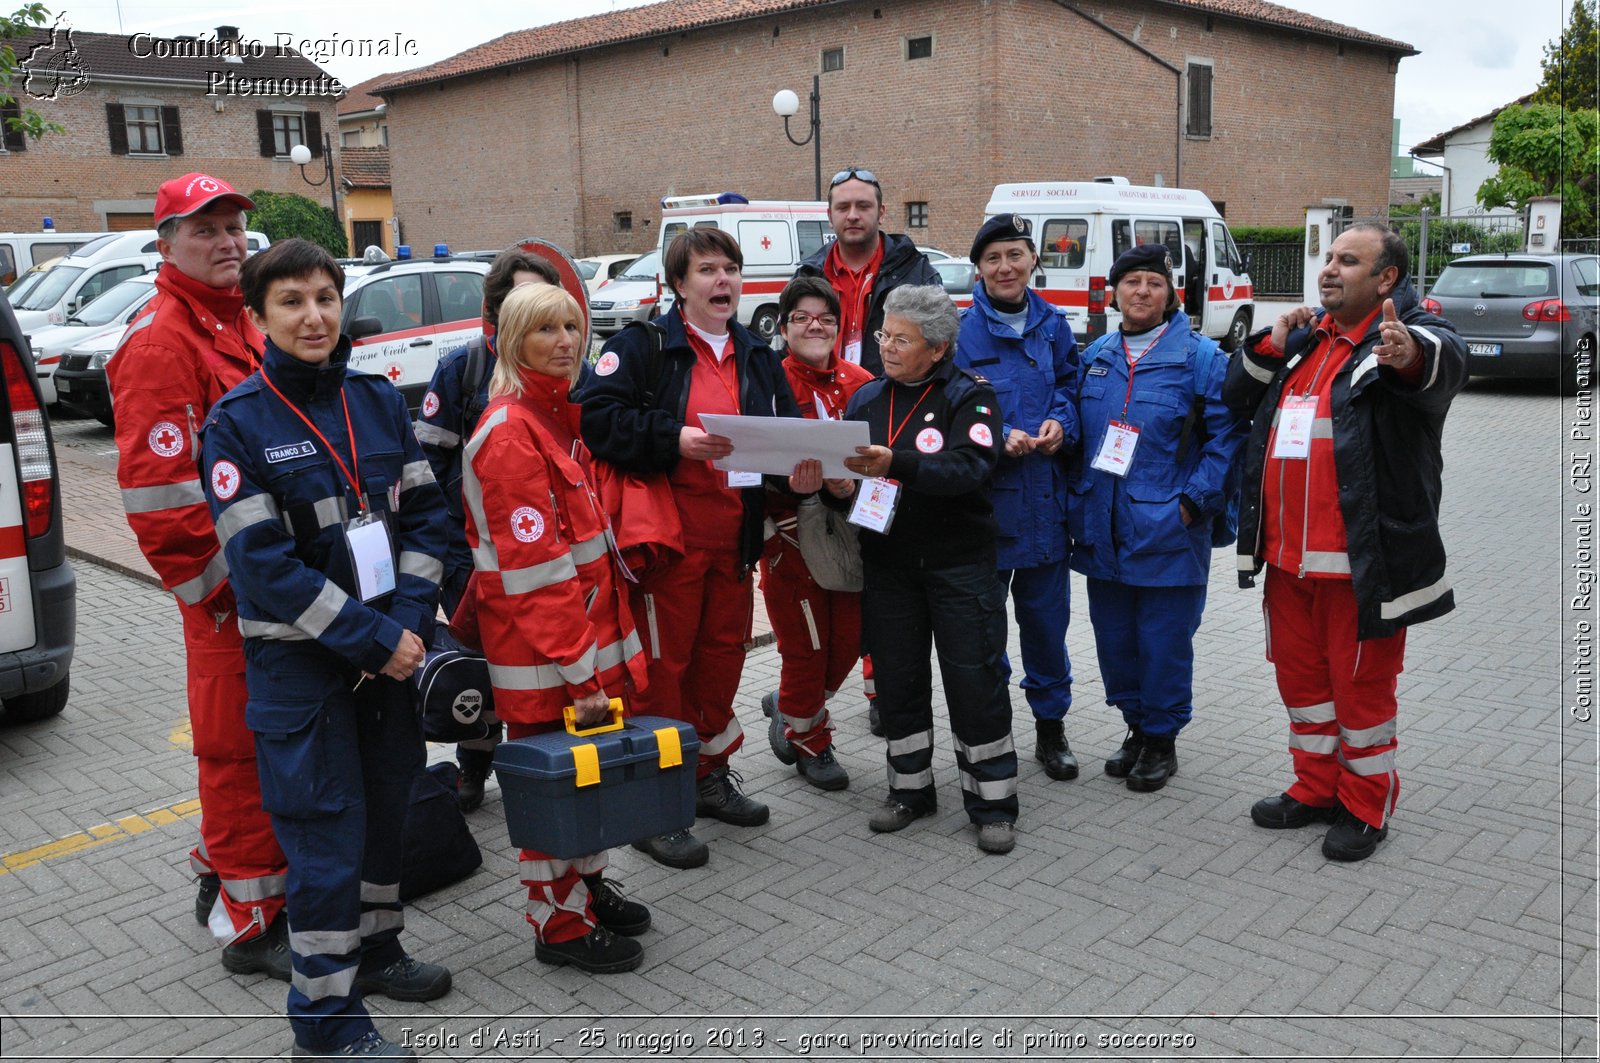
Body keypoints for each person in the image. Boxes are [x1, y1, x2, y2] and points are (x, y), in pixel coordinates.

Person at [201, 239, 453, 1060]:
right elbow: (262, 568)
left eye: (325, 297)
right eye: (292, 302)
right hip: (303, 670)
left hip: (391, 657)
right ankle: (326, 1019)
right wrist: (376, 639)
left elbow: (427, 522)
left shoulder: (375, 400)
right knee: (324, 843)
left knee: (386, 817)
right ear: (257, 316)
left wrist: (407, 626)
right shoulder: (237, 423)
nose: (314, 316)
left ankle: (377, 950)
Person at [1224, 222, 1466, 862]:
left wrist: (1407, 350)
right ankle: (1315, 788)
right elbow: (1233, 397)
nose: (1329, 269)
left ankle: (1365, 805)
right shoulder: (1309, 342)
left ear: (1386, 279)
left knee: (1361, 696)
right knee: (1303, 687)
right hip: (1287, 561)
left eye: (1348, 261)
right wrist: (1273, 342)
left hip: (1362, 568)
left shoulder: (1404, 337)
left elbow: (1438, 364)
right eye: (1328, 258)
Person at [107, 172, 290, 981]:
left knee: (267, 741)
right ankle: (252, 923)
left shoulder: (234, 323)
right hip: (230, 599)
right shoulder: (160, 342)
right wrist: (233, 591)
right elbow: (163, 506)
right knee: (237, 750)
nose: (226, 242)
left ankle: (228, 867)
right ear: (165, 244)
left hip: (266, 584)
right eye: (204, 230)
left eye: (233, 227)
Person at [580, 228, 806, 869]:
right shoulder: (642, 347)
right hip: (667, 546)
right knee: (662, 671)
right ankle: (655, 806)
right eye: (707, 270)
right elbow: (597, 419)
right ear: (678, 284)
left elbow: (783, 437)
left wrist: (806, 469)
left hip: (734, 543)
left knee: (719, 664)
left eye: (731, 268)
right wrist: (673, 439)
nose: (723, 281)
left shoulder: (758, 353)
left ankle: (707, 776)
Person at [460, 282, 653, 973]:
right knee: (555, 788)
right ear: (515, 342)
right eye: (546, 330)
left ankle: (587, 889)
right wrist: (580, 671)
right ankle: (559, 925)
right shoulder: (511, 434)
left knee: (582, 779)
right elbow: (537, 574)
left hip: (573, 650)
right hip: (546, 658)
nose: (566, 341)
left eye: (572, 326)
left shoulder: (549, 417)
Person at [831, 284, 1016, 854]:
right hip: (889, 567)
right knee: (899, 683)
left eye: (901, 339)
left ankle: (992, 803)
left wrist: (897, 464)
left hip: (960, 567)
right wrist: (839, 489)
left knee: (974, 681)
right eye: (884, 334)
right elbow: (855, 491)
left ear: (937, 349)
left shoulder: (971, 397)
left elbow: (970, 468)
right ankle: (909, 790)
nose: (886, 346)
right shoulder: (866, 400)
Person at [1069, 244, 1244, 793]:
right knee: (1114, 639)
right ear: (1114, 291)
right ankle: (1136, 726)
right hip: (1102, 525)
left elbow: (1228, 437)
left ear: (1171, 294)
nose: (1141, 291)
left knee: (1164, 640)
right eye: (1131, 281)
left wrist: (1193, 502)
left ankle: (1162, 739)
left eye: (1153, 282)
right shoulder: (1096, 353)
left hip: (1170, 526)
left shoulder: (1200, 358)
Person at [413, 247, 561, 812]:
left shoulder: (567, 370)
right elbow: (426, 468)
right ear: (494, 313)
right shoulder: (462, 370)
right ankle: (475, 763)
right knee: (485, 663)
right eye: (521, 303)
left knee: (540, 662)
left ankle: (541, 762)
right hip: (470, 558)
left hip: (547, 556)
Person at [794, 165, 940, 736]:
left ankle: (883, 690)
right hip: (829, 418)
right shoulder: (810, 271)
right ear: (829, 216)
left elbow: (933, 342)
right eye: (842, 207)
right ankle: (808, 696)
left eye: (863, 205)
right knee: (842, 560)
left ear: (882, 212)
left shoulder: (913, 268)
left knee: (885, 558)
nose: (852, 215)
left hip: (891, 419)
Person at [954, 214, 1081, 782]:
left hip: (1045, 511)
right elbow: (943, 411)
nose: (1004, 267)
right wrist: (993, 436)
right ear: (978, 269)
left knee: (1047, 630)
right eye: (992, 258)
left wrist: (1061, 422)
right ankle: (993, 730)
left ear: (1033, 260)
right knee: (986, 635)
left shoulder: (1055, 326)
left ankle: (1051, 732)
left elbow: (1074, 389)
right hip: (985, 513)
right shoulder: (959, 334)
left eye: (1014, 254)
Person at [759, 277, 875, 791]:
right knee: (806, 646)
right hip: (788, 537)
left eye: (826, 318)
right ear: (783, 328)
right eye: (802, 318)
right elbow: (747, 460)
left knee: (849, 642)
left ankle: (789, 705)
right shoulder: (764, 381)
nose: (815, 326)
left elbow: (884, 454)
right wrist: (788, 481)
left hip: (851, 534)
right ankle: (810, 739)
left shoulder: (862, 381)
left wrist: (855, 484)